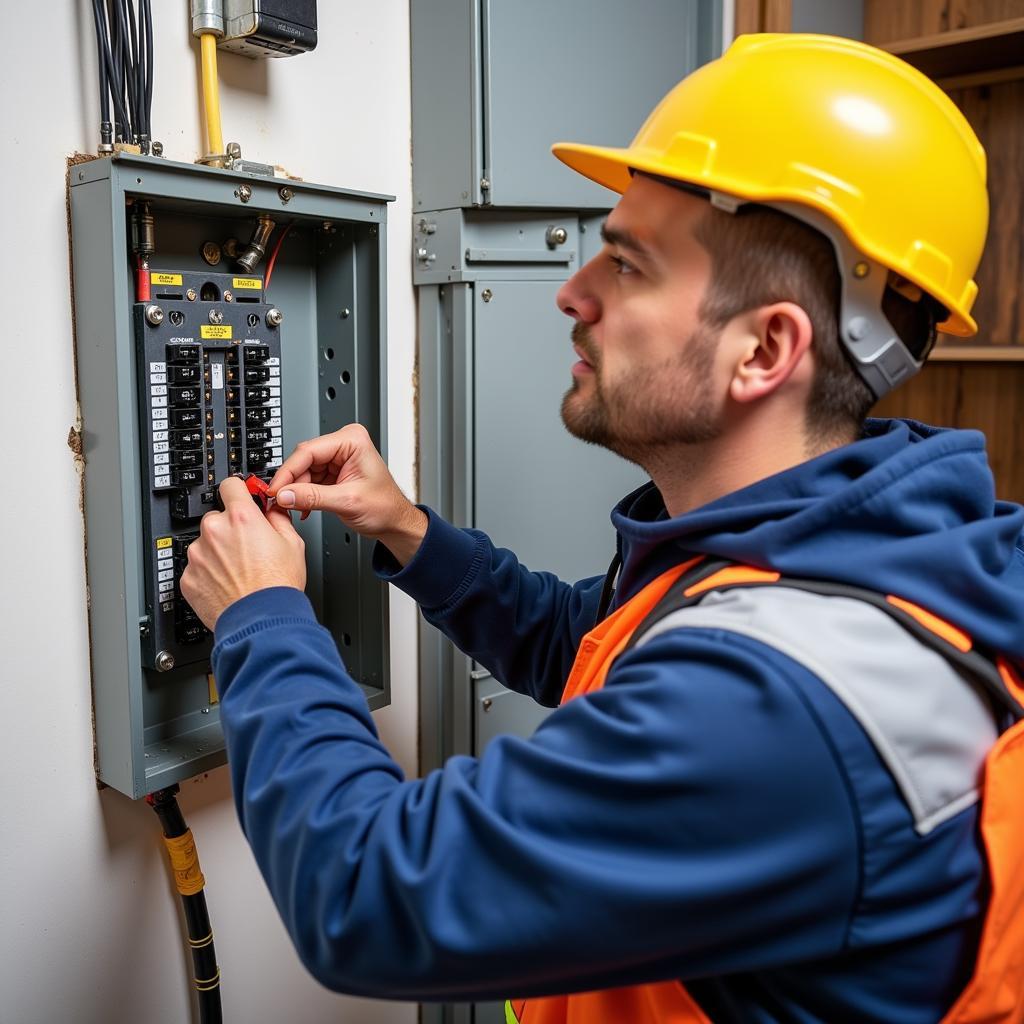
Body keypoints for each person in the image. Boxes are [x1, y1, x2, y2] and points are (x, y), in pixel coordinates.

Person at [181, 33, 1024, 1024]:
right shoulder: (835, 561)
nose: (574, 295)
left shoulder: (777, 712)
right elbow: (597, 641)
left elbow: (370, 891)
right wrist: (409, 531)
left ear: (764, 347)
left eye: (626, 265)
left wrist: (265, 617)